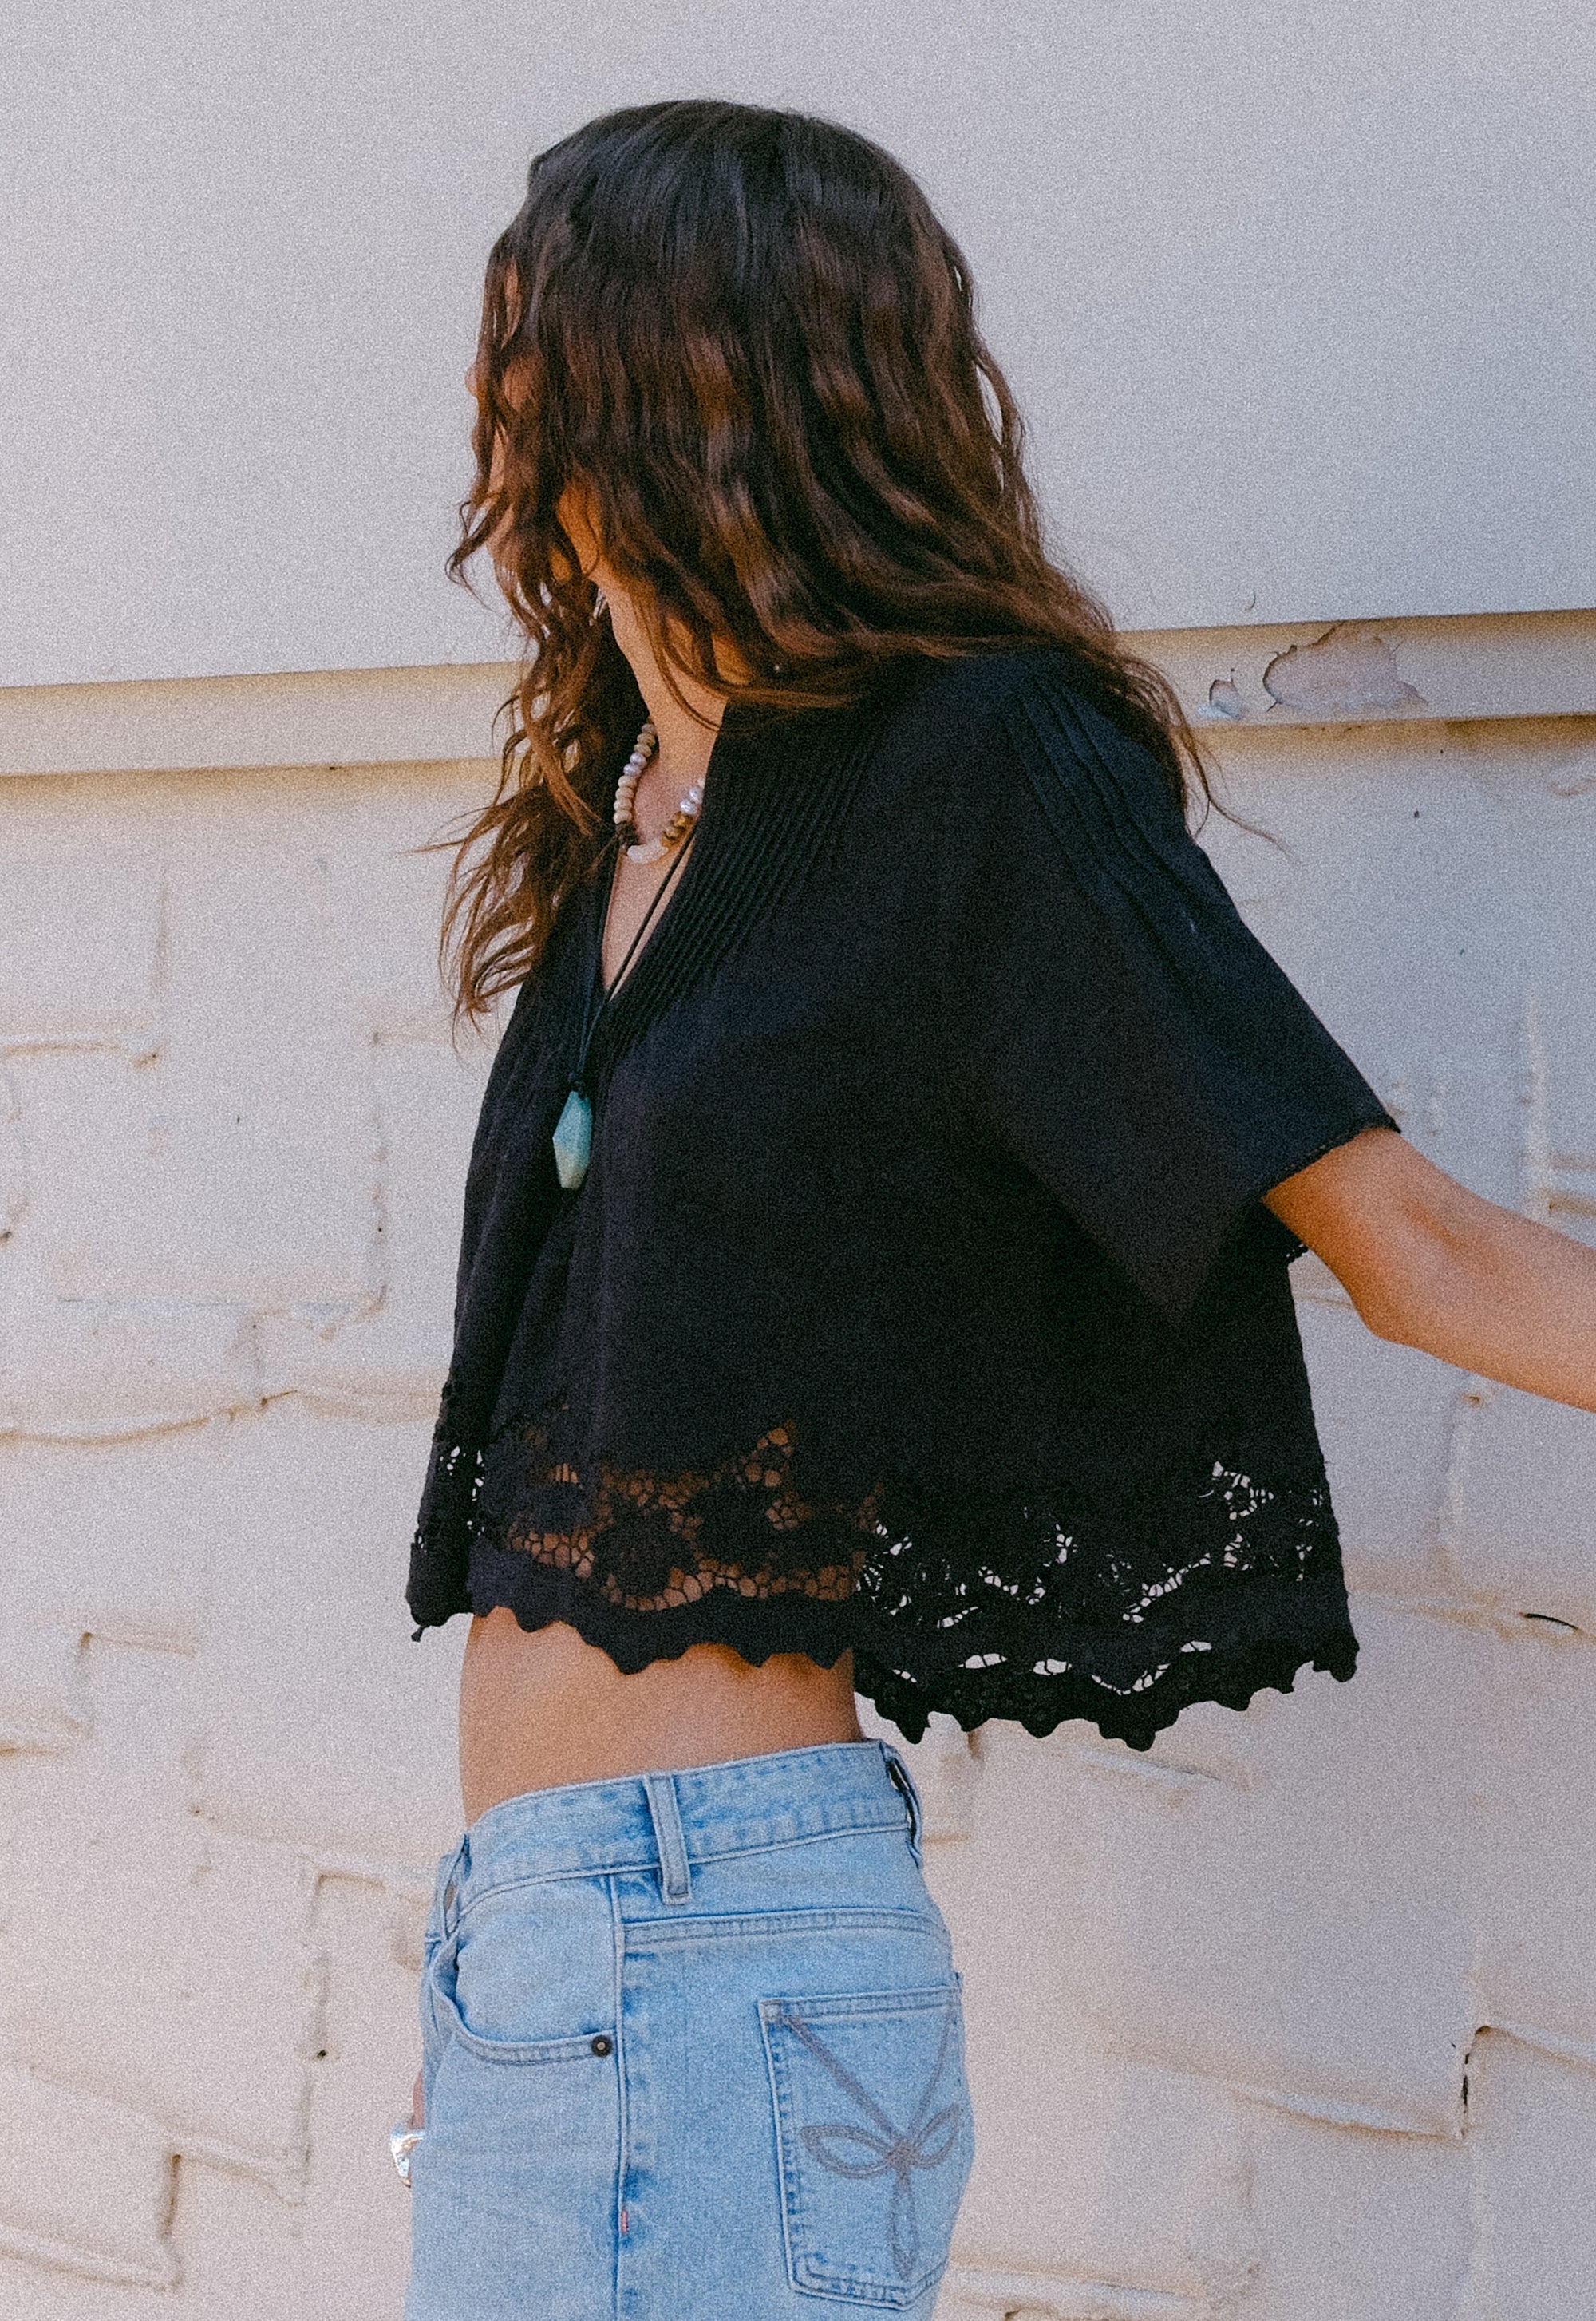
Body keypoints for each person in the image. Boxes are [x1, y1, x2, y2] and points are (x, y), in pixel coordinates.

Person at [396, 99, 1596, 2320]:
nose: (498, 399)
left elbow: (1408, 1241)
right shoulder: (646, 796)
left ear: (683, 373)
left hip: (708, 1953)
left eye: (538, 335)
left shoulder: (974, 773)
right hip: (550, 1947)